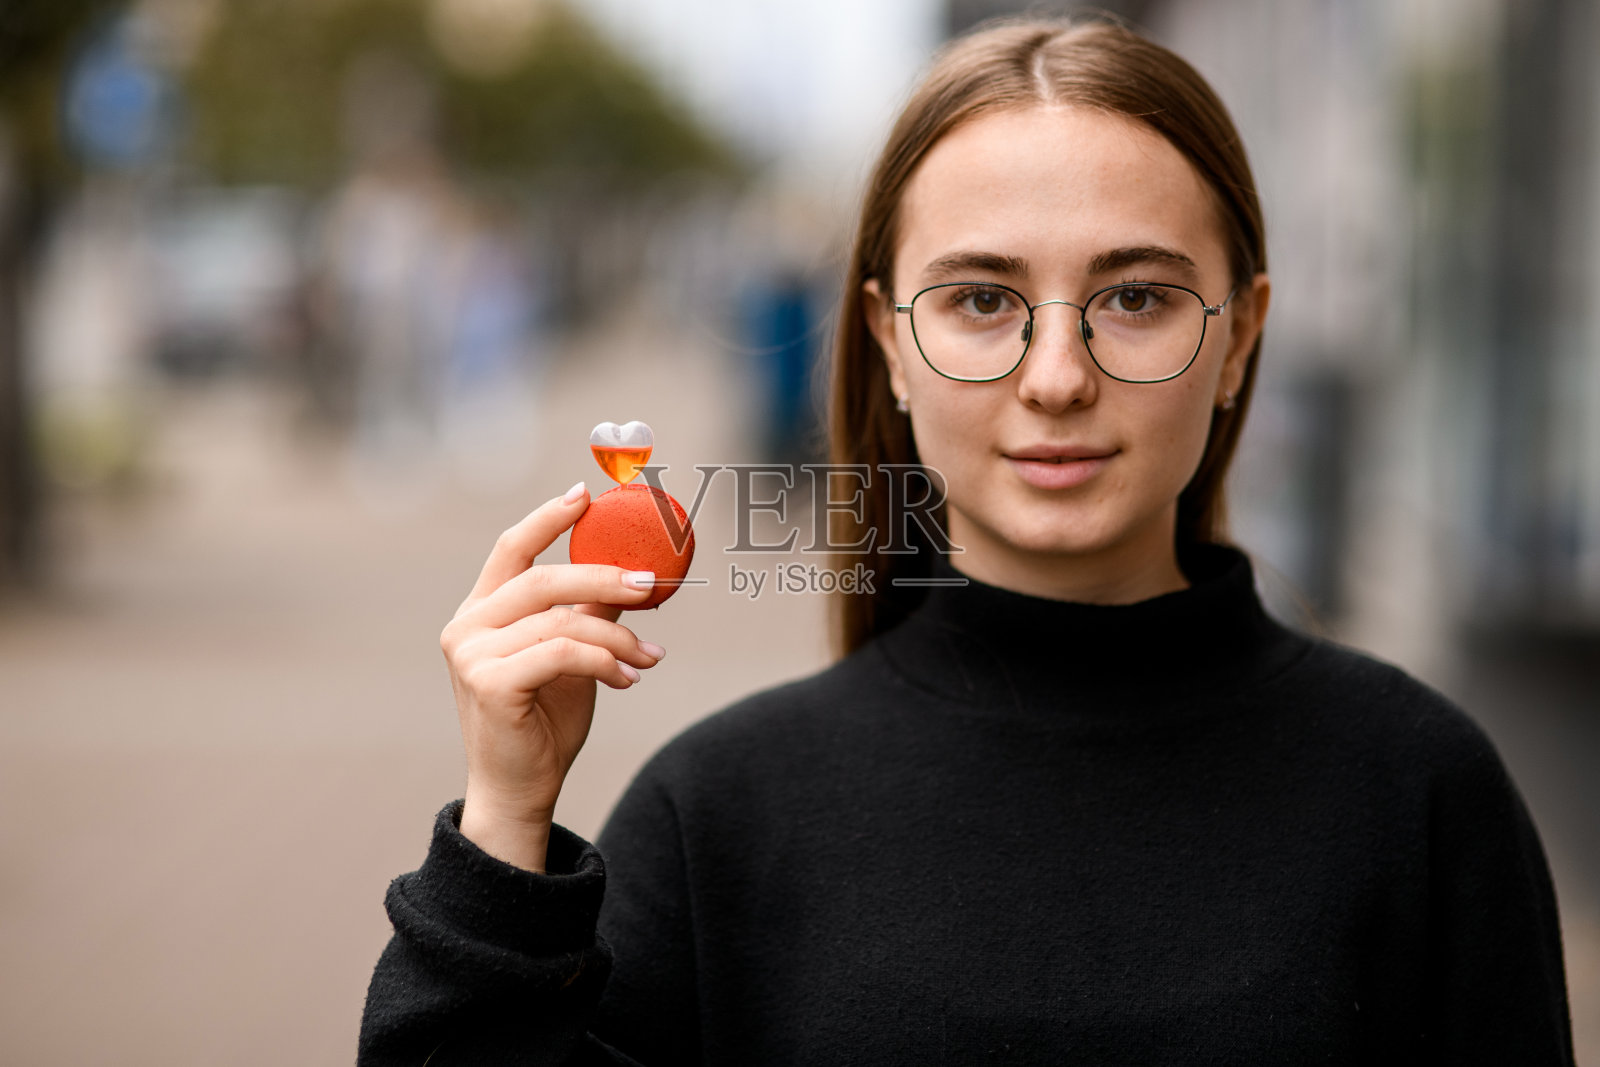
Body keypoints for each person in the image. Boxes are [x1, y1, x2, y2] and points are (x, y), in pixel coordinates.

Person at [358, 17, 1575, 1065]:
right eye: (982, 300)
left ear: (1241, 337)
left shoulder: (1419, 790)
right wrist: (503, 833)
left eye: (1137, 297)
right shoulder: (719, 812)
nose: (1056, 377)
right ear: (887, 341)